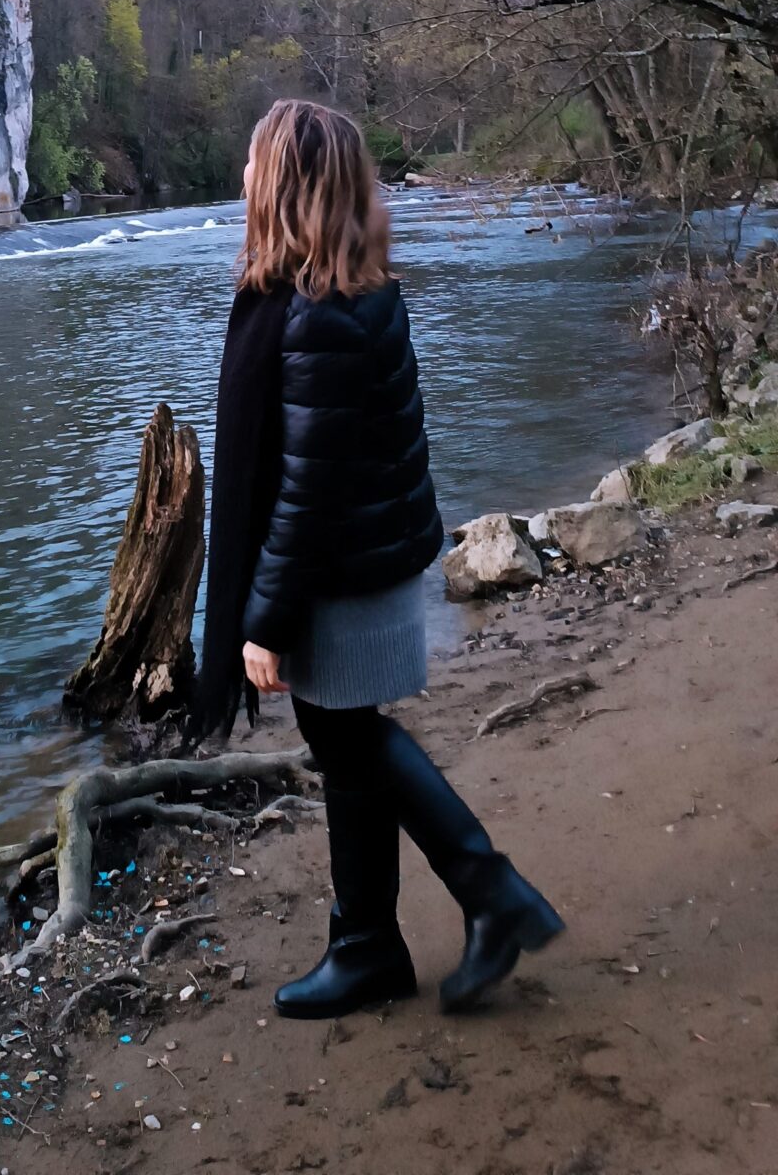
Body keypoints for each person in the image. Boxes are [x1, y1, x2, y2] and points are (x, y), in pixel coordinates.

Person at [193, 100, 563, 1019]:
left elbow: (307, 492)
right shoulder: (346, 288)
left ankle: (491, 896)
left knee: (350, 736)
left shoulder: (314, 311)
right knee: (343, 741)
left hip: (343, 568)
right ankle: (367, 945)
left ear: (283, 181)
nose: (241, 175)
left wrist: (262, 622)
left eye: (252, 160)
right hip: (370, 555)